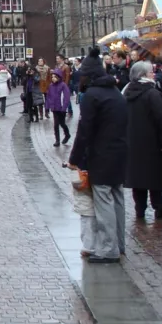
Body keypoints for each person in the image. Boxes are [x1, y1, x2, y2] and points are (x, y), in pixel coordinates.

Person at [68, 48, 128, 264]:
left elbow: (85, 130)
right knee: (118, 198)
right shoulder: (116, 92)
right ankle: (119, 245)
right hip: (120, 153)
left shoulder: (92, 96)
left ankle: (108, 249)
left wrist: (74, 159)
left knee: (103, 201)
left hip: (102, 157)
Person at [126, 60, 162, 220]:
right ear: (143, 75)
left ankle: (140, 209)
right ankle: (159, 207)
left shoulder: (126, 93)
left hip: (133, 143)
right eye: (150, 71)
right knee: (155, 177)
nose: (153, 73)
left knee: (138, 178)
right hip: (153, 143)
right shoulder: (153, 94)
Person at [67, 163, 96, 257]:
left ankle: (88, 246)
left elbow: (77, 183)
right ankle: (89, 246)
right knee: (87, 219)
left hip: (85, 197)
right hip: (86, 196)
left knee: (87, 220)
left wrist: (73, 168)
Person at [46, 69, 72, 146]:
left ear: (59, 77)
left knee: (62, 123)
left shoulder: (63, 85)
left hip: (61, 109)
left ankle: (67, 135)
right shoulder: (51, 86)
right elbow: (48, 97)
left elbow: (66, 97)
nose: (53, 78)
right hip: (54, 108)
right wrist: (47, 107)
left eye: (55, 77)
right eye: (52, 77)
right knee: (56, 124)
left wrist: (64, 108)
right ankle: (57, 140)